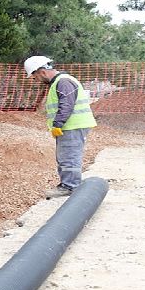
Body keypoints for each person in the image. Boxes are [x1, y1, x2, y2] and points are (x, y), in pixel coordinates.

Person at [23, 56, 97, 199]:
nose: (36, 80)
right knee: (66, 156)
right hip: (71, 126)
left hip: (72, 126)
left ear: (42, 72)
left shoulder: (63, 82)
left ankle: (70, 186)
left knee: (69, 156)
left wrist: (58, 124)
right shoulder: (60, 82)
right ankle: (68, 184)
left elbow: (66, 105)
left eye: (35, 76)